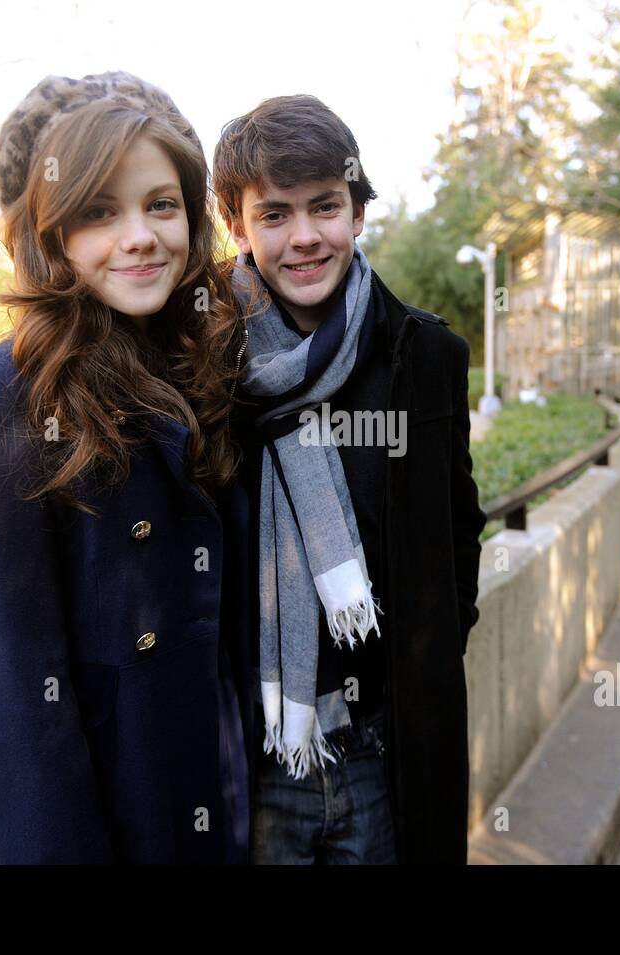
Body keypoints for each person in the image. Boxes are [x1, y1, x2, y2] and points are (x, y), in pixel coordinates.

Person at [0, 72, 253, 863]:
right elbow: (14, 689)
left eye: (160, 204)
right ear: (53, 236)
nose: (140, 235)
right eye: (99, 212)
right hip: (97, 817)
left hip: (219, 788)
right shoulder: (1, 391)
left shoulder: (210, 361)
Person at [214, 94, 487, 864]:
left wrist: (426, 664)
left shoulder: (425, 356)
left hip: (381, 754)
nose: (305, 237)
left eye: (325, 207)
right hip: (255, 758)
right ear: (237, 225)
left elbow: (457, 531)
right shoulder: (198, 367)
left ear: (357, 213)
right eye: (274, 215)